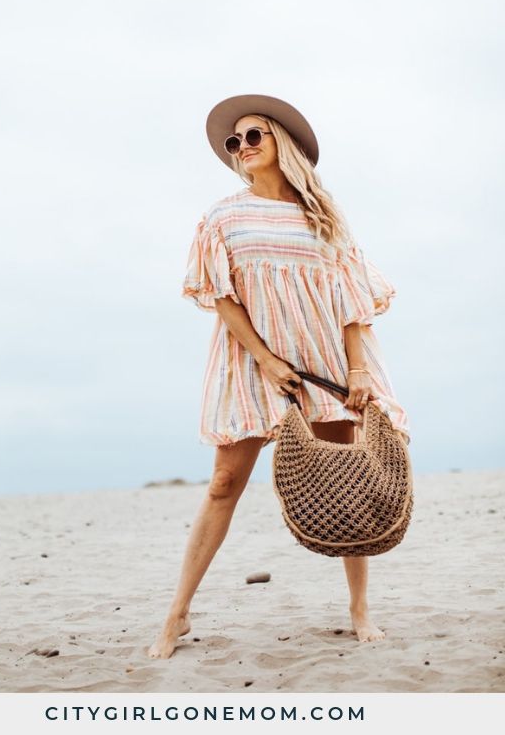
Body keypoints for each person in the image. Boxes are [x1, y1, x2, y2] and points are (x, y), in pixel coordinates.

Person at [148, 94, 409, 659]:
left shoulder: (323, 217)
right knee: (223, 485)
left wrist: (358, 369)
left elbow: (351, 300)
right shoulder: (223, 217)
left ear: (281, 143)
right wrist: (266, 359)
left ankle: (359, 609)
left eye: (253, 136)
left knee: (350, 485)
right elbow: (221, 296)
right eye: (233, 142)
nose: (242, 147)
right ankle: (177, 614)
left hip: (327, 366)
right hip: (251, 362)